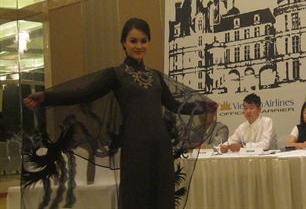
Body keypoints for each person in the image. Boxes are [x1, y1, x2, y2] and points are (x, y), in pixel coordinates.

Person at [23, 18, 215, 209]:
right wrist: (46, 97)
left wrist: (203, 106)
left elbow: (174, 105)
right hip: (135, 145)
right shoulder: (115, 74)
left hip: (160, 145)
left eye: (144, 40)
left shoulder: (155, 76)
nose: (139, 46)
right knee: (136, 195)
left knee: (162, 195)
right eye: (133, 41)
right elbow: (83, 94)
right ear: (123, 42)